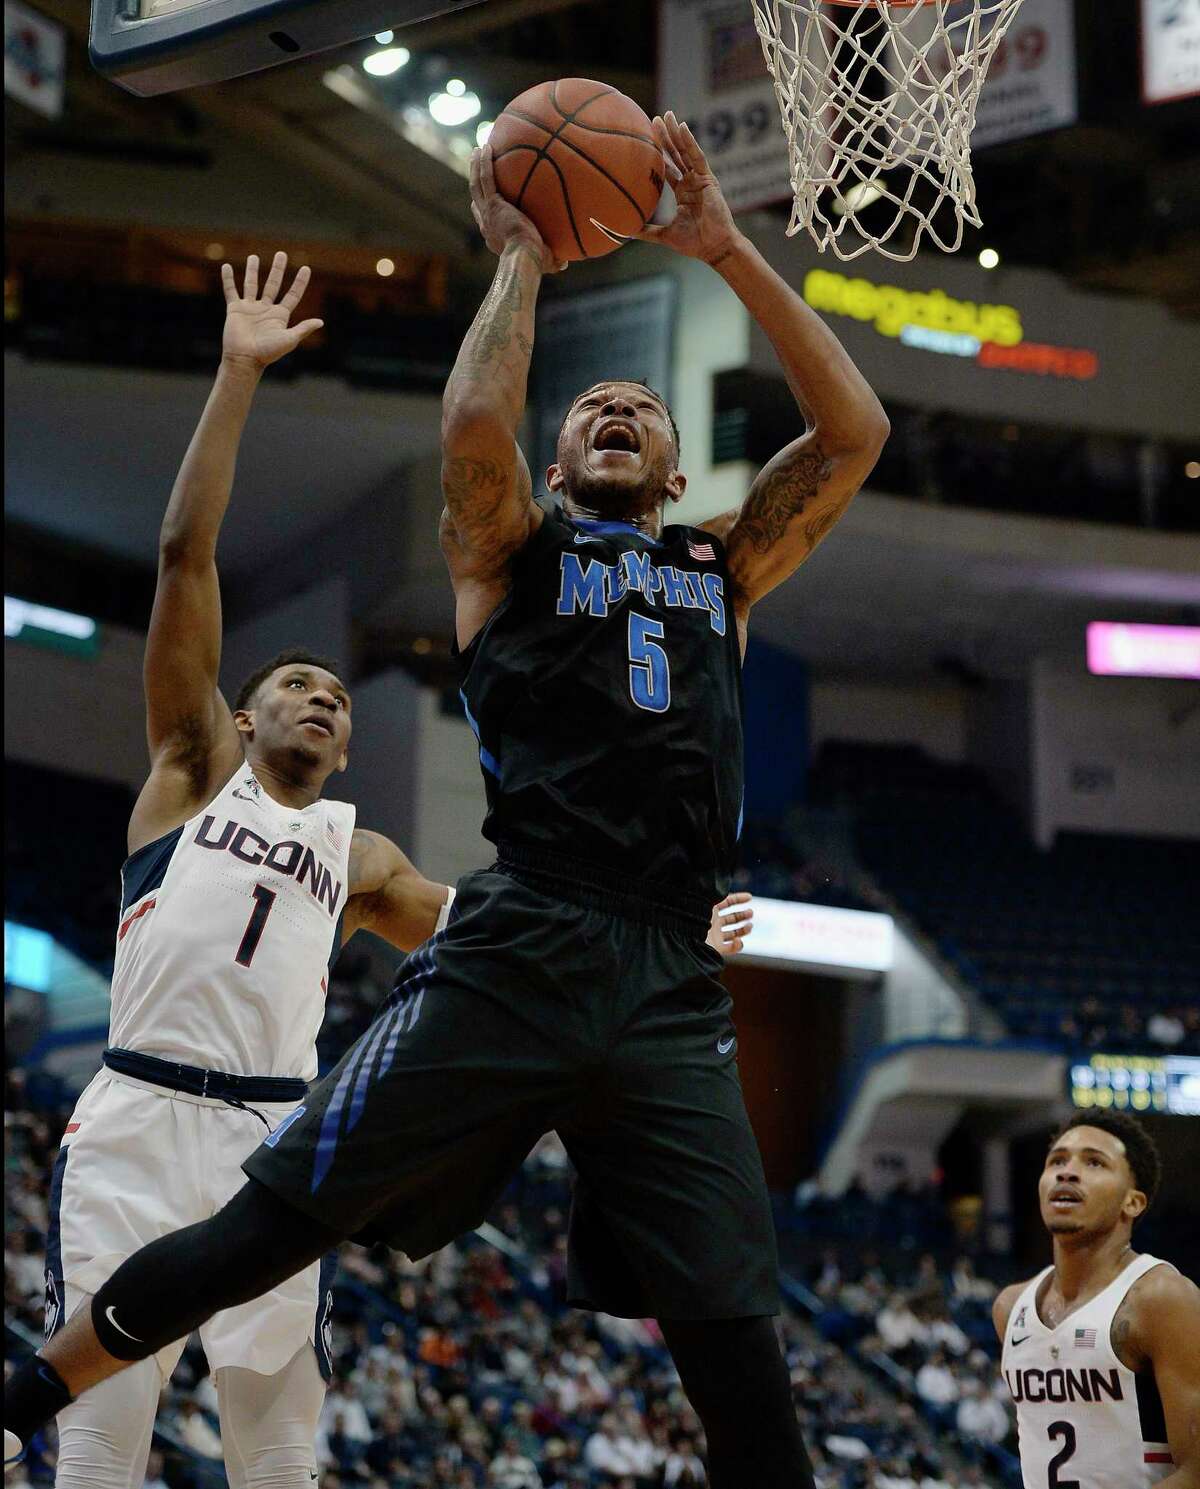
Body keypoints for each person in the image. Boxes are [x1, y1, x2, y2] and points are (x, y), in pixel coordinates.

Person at [5, 111, 880, 1489]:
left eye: (641, 413)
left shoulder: (726, 568)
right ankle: (19, 1393)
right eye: (592, 408)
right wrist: (522, 258)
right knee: (269, 1229)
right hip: (522, 938)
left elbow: (853, 428)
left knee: (742, 1364)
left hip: (664, 974)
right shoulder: (508, 554)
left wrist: (723, 245)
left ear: (678, 475)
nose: (616, 409)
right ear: (548, 468)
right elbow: (475, 415)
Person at [30, 252, 459, 1489]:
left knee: (279, 1438)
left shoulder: (359, 850)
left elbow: (486, 931)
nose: (323, 698)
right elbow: (182, 555)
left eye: (336, 695)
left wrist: (661, 927)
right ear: (245, 709)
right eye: (296, 685)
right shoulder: (188, 766)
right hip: (137, 1114)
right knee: (103, 1432)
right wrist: (235, 375)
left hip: (278, 1132)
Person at [993, 1111, 1199, 1488]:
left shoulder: (1161, 1299)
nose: (1067, 1172)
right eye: (1057, 1160)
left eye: (1094, 1162)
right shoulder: (1010, 1307)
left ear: (1132, 1202)